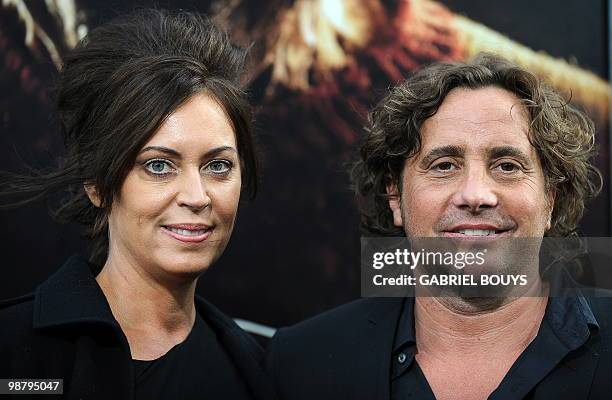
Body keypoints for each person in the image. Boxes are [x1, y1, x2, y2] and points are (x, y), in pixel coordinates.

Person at [266, 53, 612, 400]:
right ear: (394, 195)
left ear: (550, 198)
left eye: (507, 166)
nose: (475, 195)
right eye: (444, 165)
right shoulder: (300, 365)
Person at [0, 9, 275, 400]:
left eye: (218, 165)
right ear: (96, 184)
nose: (197, 196)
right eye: (159, 165)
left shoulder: (256, 372)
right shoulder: (11, 351)